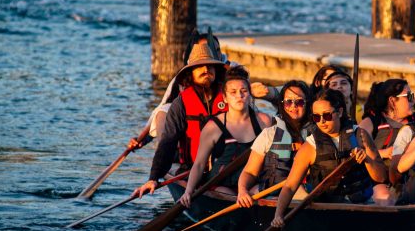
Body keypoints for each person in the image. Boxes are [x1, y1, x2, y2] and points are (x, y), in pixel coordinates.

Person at [131, 32, 228, 199]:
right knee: (163, 116)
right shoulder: (181, 103)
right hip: (191, 169)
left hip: (226, 169)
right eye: (200, 67)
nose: (206, 70)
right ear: (190, 73)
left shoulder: (230, 95)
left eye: (210, 66)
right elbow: (168, 141)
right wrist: (153, 178)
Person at [271, 89, 388, 227]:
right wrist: (278, 215)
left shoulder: (360, 135)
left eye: (326, 116)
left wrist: (367, 160)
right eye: (316, 117)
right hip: (327, 211)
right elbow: (290, 186)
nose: (321, 122)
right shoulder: (310, 147)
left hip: (360, 207)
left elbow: (381, 178)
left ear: (339, 112)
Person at [178, 67, 273, 205]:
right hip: (222, 184)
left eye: (244, 91)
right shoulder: (213, 127)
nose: (239, 96)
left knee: (260, 192)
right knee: (227, 195)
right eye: (233, 92)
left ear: (250, 95)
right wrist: (188, 191)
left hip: (253, 182)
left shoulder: (264, 121)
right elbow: (199, 164)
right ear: (225, 98)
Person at [236, 80, 311, 208]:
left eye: (299, 102)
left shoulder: (317, 135)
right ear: (282, 105)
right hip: (269, 192)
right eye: (288, 102)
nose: (293, 106)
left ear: (307, 104)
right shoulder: (269, 134)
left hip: (302, 193)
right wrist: (242, 191)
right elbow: (250, 171)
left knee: (303, 196)